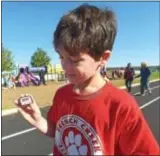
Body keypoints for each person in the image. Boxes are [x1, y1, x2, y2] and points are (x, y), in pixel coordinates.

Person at [14, 4, 159, 155]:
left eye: (75, 60)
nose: (65, 66)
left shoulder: (121, 105)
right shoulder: (61, 95)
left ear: (103, 58)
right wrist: (38, 120)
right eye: (61, 57)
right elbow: (57, 132)